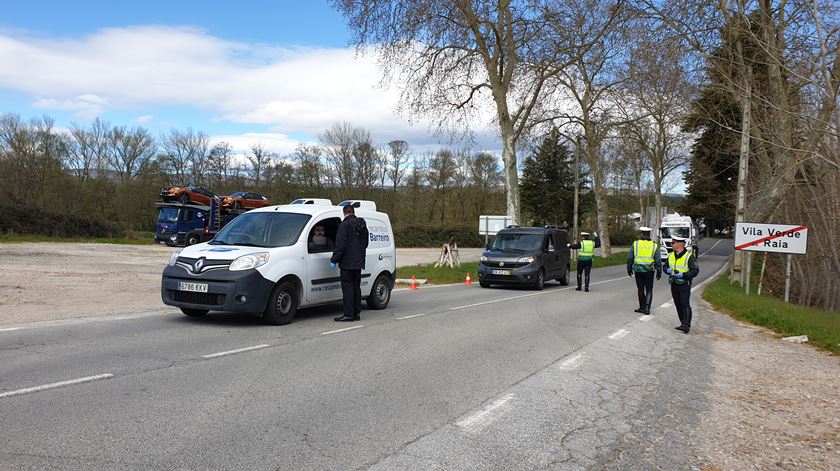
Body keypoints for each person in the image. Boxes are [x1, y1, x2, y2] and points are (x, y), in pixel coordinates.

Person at [331, 205, 369, 322]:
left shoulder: (344, 225)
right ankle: (356, 313)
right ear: (353, 212)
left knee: (347, 288)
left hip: (347, 263)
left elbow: (340, 245)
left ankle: (348, 314)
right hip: (358, 262)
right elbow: (365, 243)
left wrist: (334, 259)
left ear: (344, 213)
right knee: (356, 287)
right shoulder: (362, 225)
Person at [663, 236, 699, 333]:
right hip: (674, 283)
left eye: (673, 243)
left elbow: (695, 271)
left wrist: (683, 275)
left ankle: (686, 324)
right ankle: (682, 322)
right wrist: (667, 270)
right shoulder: (670, 255)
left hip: (684, 283)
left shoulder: (689, 256)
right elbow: (665, 266)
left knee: (684, 303)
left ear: (680, 244)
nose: (672, 244)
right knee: (677, 303)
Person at [626, 226, 662, 315]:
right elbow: (658, 259)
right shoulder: (654, 245)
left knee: (640, 289)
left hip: (638, 270)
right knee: (649, 289)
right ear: (649, 235)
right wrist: (659, 271)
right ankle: (647, 308)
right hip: (649, 270)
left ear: (641, 234)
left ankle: (642, 307)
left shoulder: (636, 244)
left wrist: (629, 268)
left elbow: (630, 257)